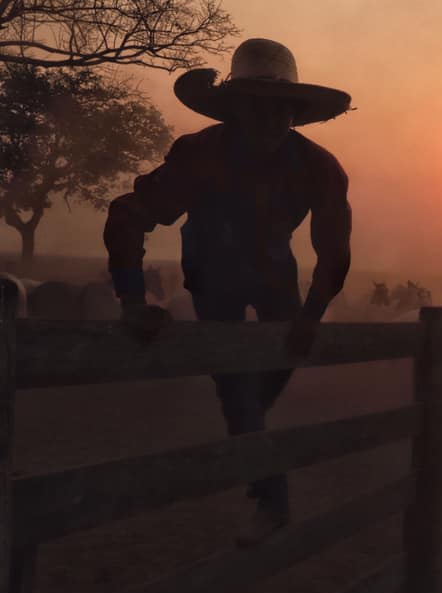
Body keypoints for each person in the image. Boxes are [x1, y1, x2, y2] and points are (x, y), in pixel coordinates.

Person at [103, 38, 354, 545]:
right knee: (237, 385)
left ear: (295, 111)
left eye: (279, 107)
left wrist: (311, 315)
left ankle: (248, 434)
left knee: (265, 375)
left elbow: (333, 252)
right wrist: (133, 302)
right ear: (235, 108)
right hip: (211, 265)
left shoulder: (320, 168)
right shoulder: (198, 153)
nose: (268, 119)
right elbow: (127, 216)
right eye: (255, 106)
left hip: (275, 271)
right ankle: (272, 497)